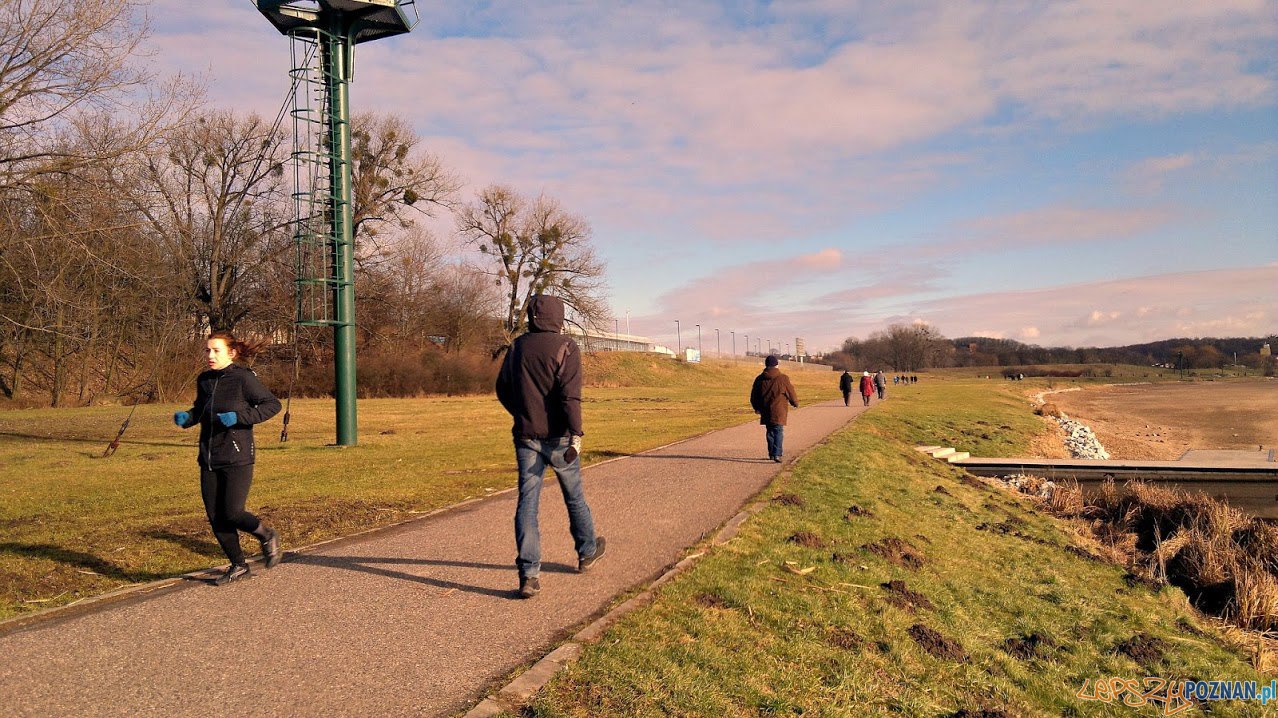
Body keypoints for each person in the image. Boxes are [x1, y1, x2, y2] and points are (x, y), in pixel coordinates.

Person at [496, 295, 606, 599]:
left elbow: (502, 388)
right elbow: (570, 396)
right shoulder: (566, 347)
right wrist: (576, 434)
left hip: (526, 437)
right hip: (559, 439)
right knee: (574, 497)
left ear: (532, 316)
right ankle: (587, 552)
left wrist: (521, 413)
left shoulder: (517, 346)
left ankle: (529, 575)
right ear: (559, 317)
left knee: (527, 505)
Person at [174, 331, 283, 586]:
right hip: (209, 457)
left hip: (237, 455)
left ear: (231, 353)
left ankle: (266, 534)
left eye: (216, 351)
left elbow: (271, 405)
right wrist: (188, 418)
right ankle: (238, 564)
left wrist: (239, 418)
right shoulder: (204, 380)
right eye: (207, 350)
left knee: (232, 512)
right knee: (215, 516)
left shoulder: (243, 379)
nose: (210, 355)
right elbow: (201, 409)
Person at [750, 355, 799, 462]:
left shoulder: (759, 379)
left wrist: (757, 407)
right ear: (776, 364)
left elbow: (754, 396)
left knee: (770, 431)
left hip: (765, 409)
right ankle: (777, 454)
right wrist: (795, 403)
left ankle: (772, 453)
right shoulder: (783, 378)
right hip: (779, 410)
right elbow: (791, 393)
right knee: (778, 430)